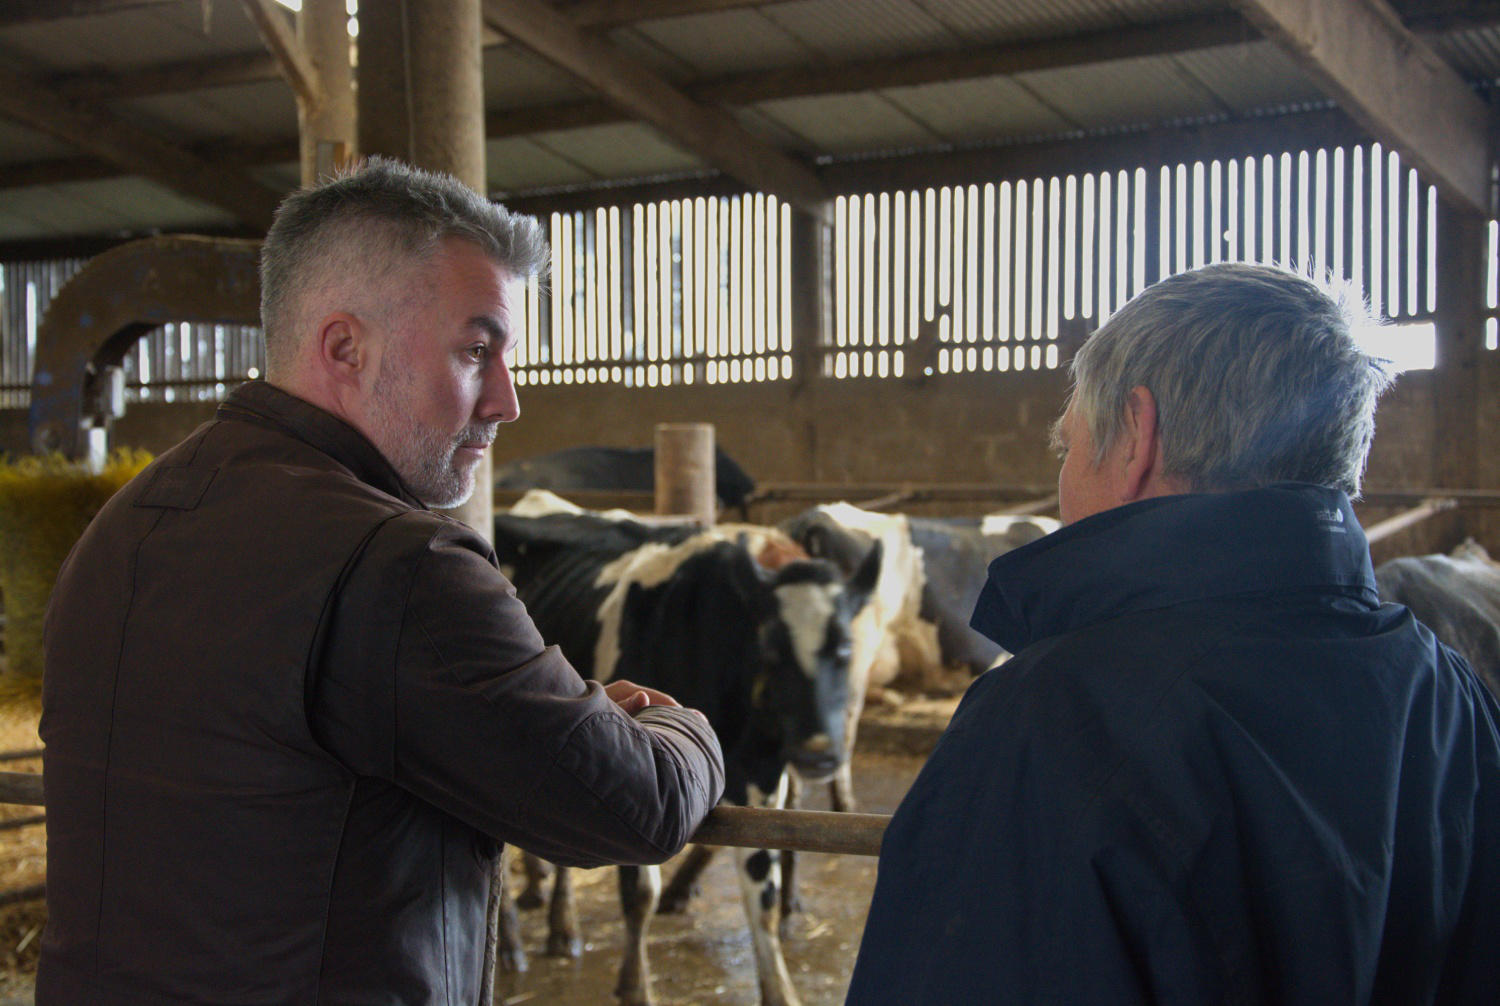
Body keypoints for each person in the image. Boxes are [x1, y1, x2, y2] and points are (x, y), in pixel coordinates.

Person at [37, 157, 725, 1004]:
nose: (507, 401)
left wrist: (560, 721)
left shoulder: (122, 526)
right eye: (477, 350)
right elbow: (637, 805)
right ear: (344, 348)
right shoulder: (399, 568)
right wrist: (681, 726)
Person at [847, 263, 1500, 1004]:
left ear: (1136, 435)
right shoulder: (1450, 696)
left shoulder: (1051, 724)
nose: (1063, 480)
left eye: (1067, 447)